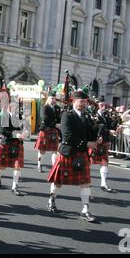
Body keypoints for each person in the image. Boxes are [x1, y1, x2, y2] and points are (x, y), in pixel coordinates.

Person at [46, 90, 101, 222]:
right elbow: (68, 137)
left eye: (85, 102)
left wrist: (98, 129)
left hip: (81, 153)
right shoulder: (67, 115)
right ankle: (51, 199)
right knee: (58, 182)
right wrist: (87, 144)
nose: (83, 104)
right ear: (74, 101)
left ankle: (85, 210)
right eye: (81, 101)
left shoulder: (87, 116)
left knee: (86, 183)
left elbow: (90, 134)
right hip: (68, 152)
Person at [0, 101, 29, 196]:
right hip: (7, 143)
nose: (16, 108)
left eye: (17, 106)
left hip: (18, 143)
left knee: (17, 166)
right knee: (2, 166)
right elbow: (3, 130)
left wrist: (25, 132)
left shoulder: (20, 116)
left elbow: (25, 127)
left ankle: (14, 187)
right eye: (14, 106)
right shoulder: (3, 115)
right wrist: (15, 134)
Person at [89, 100, 119, 193]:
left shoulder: (106, 115)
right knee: (88, 162)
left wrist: (116, 123)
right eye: (101, 104)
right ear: (97, 106)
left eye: (104, 104)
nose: (103, 106)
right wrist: (108, 131)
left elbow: (111, 126)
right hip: (95, 141)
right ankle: (86, 180)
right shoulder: (92, 115)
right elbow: (94, 127)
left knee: (104, 162)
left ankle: (103, 184)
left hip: (104, 141)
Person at [34, 91, 61, 172]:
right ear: (48, 98)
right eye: (51, 98)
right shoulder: (44, 107)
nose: (53, 100)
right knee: (42, 150)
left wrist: (59, 126)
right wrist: (55, 124)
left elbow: (59, 118)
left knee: (55, 150)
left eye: (54, 98)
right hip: (45, 130)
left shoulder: (57, 108)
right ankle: (39, 164)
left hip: (54, 131)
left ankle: (54, 167)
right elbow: (45, 119)